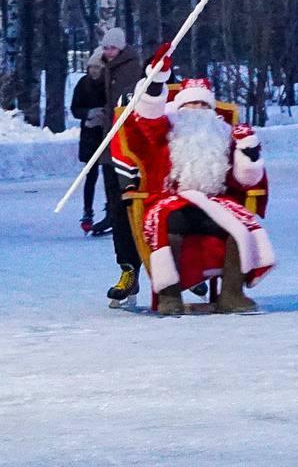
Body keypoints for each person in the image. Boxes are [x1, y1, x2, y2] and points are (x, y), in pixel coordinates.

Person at [118, 45, 276, 315]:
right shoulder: (165, 129)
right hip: (171, 201)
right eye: (191, 103)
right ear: (179, 107)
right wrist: (156, 81)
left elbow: (243, 180)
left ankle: (231, 295)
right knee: (171, 225)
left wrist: (248, 155)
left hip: (216, 202)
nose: (197, 109)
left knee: (240, 226)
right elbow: (146, 117)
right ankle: (169, 296)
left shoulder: (223, 133)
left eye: (203, 104)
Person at [93, 28, 145, 303]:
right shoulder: (104, 68)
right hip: (108, 151)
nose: (107, 52)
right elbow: (90, 100)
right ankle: (128, 271)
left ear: (121, 49)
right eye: (105, 48)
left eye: (112, 48)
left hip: (130, 153)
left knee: (137, 211)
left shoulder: (133, 68)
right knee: (117, 213)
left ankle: (175, 273)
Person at [69, 49, 109, 233]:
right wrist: (87, 114)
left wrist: (104, 113)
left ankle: (111, 210)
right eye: (91, 67)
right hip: (89, 135)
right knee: (90, 174)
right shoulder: (83, 84)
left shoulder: (108, 84)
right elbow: (74, 108)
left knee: (110, 174)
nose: (94, 71)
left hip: (107, 133)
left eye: (98, 68)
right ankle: (87, 212)